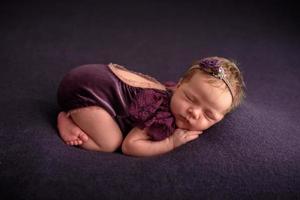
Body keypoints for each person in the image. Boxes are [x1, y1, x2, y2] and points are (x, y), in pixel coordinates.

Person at [56, 56, 245, 157]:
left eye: (209, 115)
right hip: (84, 89)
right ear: (179, 86)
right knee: (110, 143)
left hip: (93, 76)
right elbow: (130, 146)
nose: (193, 112)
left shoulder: (172, 94)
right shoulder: (162, 114)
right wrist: (170, 143)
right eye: (189, 98)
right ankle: (68, 119)